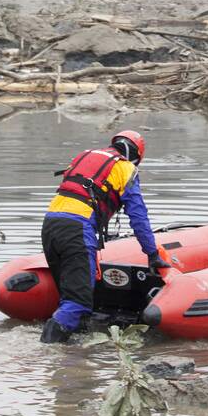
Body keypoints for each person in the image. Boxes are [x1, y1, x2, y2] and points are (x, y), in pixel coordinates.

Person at [40, 129, 170, 343]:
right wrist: (152, 253)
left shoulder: (84, 156)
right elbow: (138, 217)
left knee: (70, 295)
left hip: (51, 225)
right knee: (78, 301)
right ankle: (49, 356)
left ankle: (76, 355)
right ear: (137, 156)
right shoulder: (126, 168)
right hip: (77, 229)